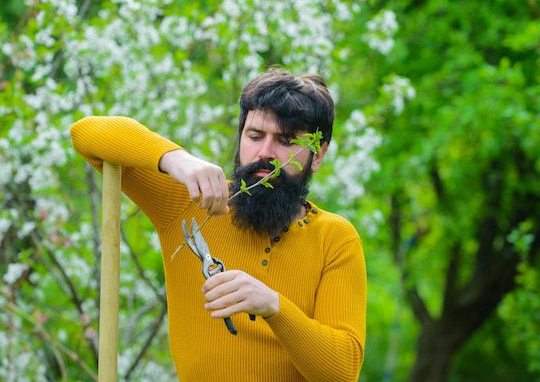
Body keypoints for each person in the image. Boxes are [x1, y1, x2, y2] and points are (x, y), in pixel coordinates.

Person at [70, 68, 366, 381]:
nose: (265, 152)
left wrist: (273, 306)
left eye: (285, 141)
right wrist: (176, 160)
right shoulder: (193, 202)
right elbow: (86, 134)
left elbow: (342, 371)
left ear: (316, 156)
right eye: (254, 136)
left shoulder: (336, 238)